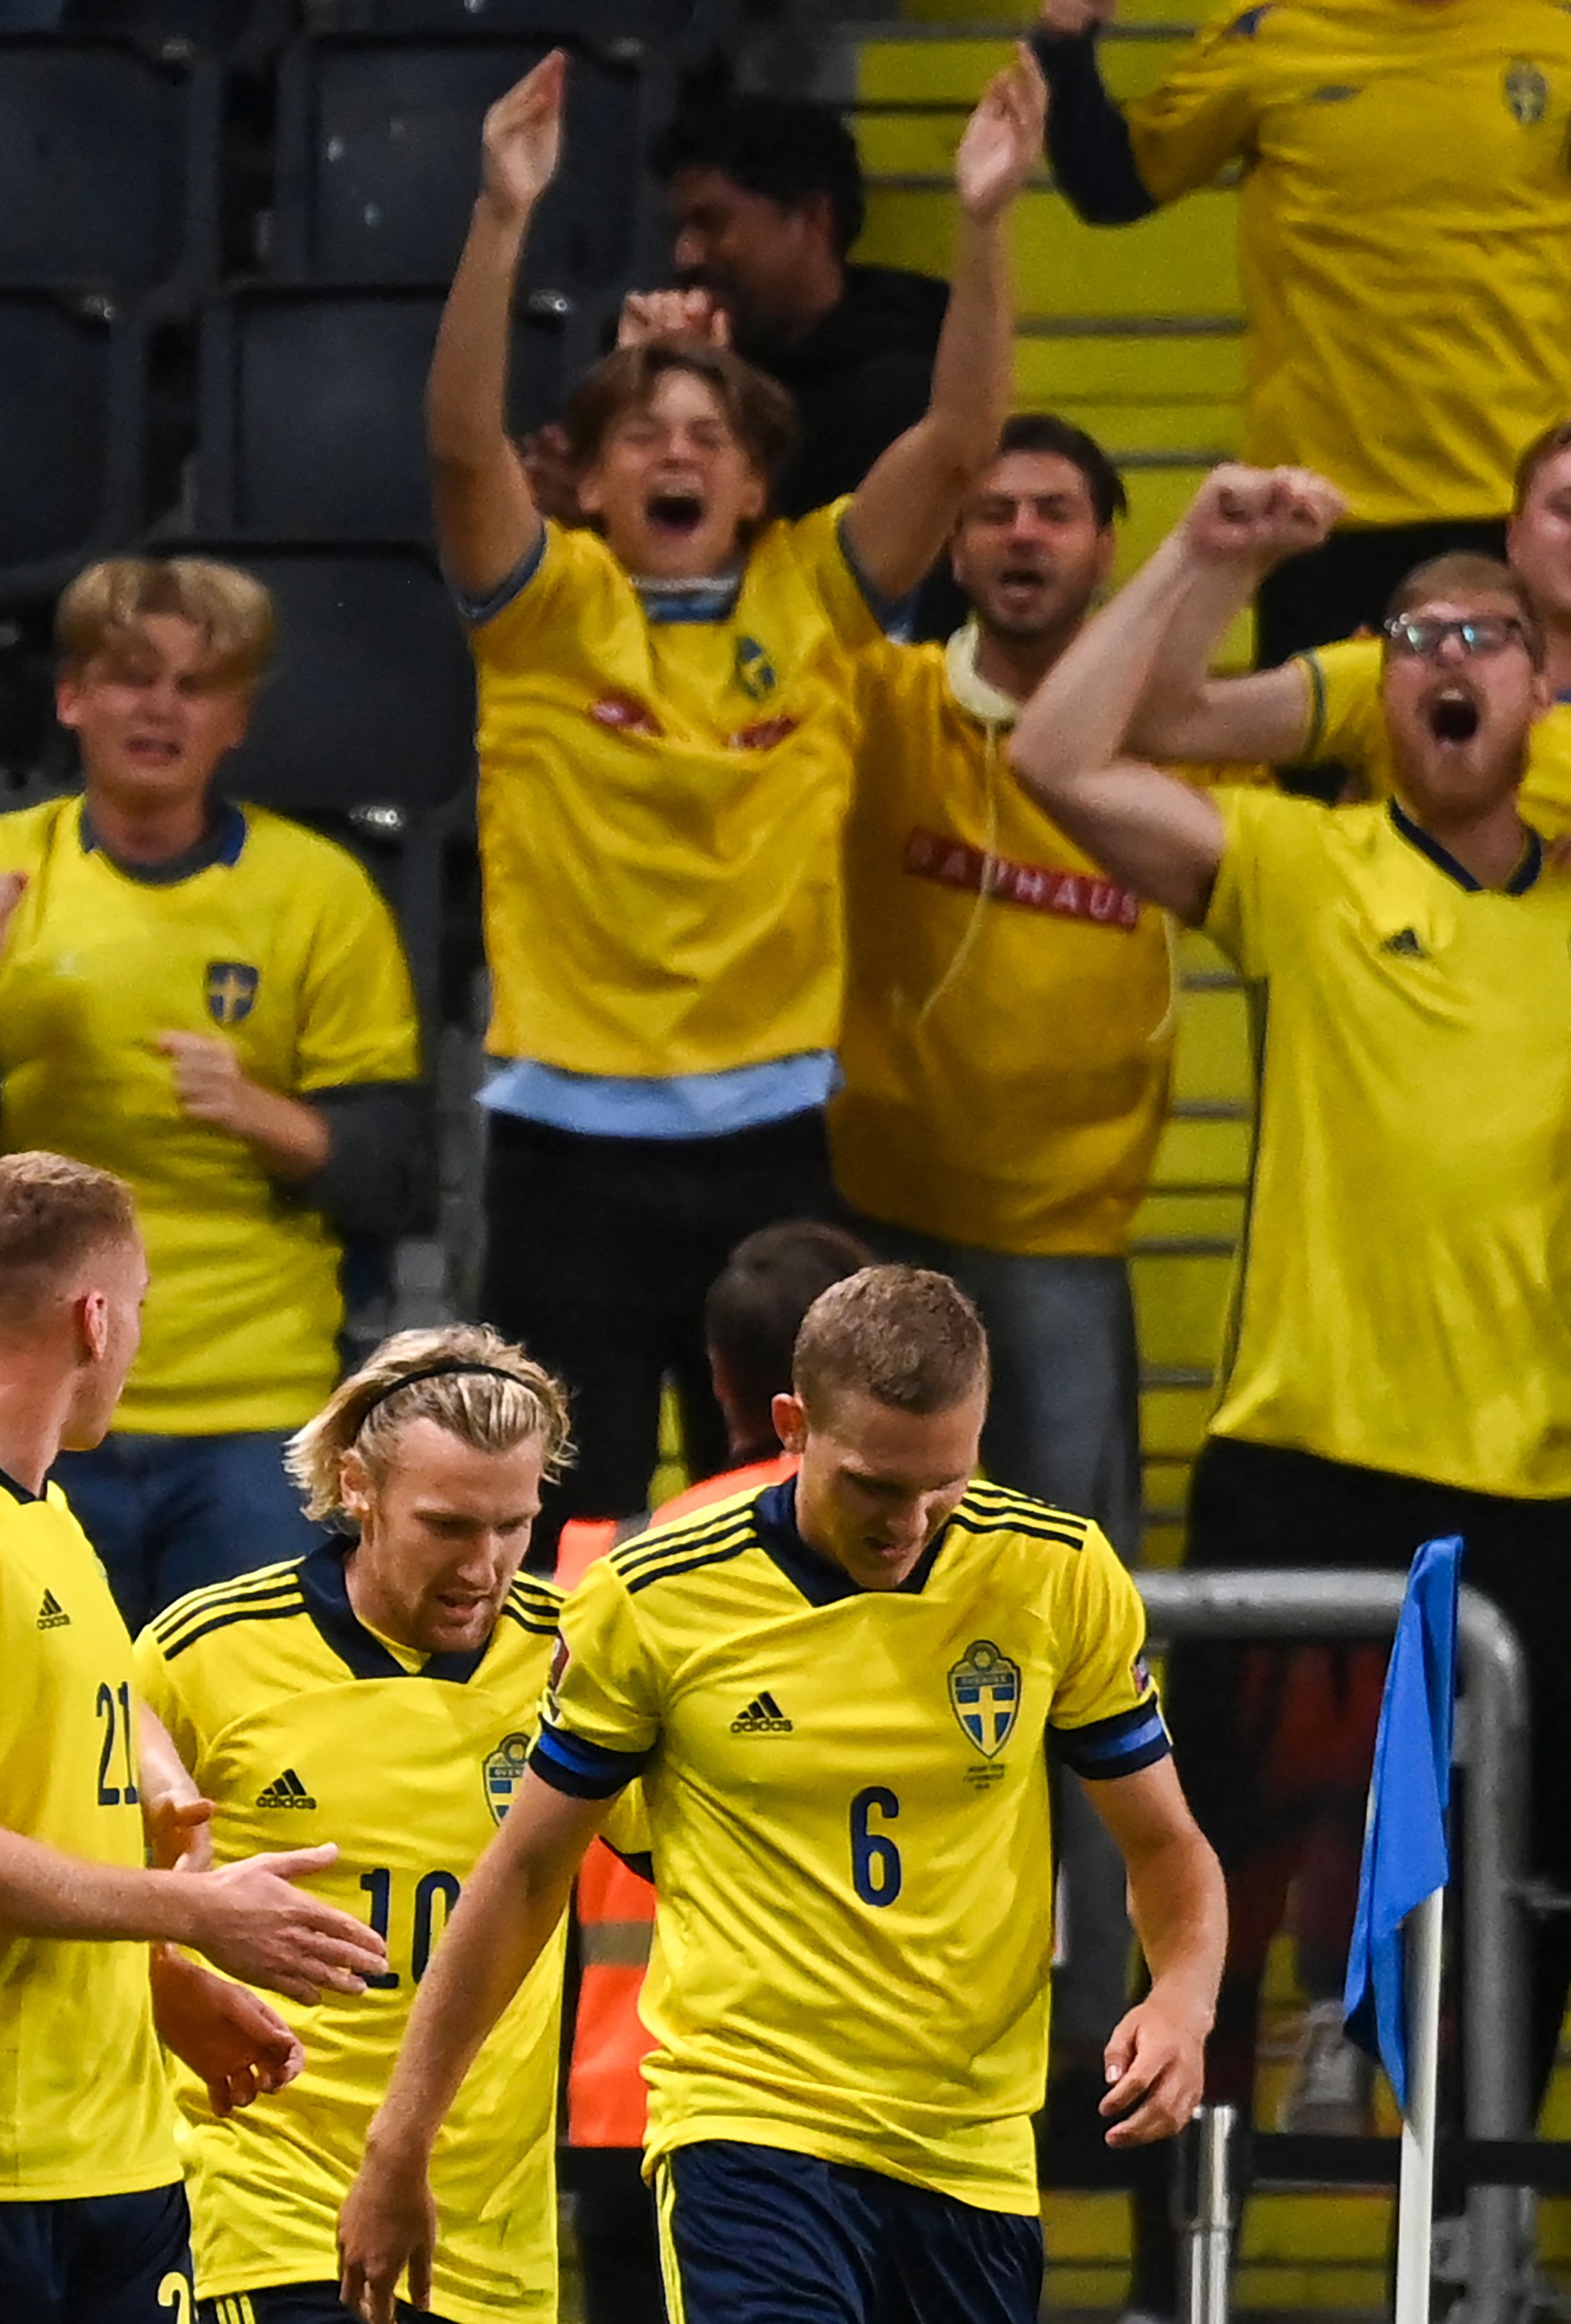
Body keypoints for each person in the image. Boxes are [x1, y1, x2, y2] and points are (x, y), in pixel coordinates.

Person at [339, 1267, 1225, 2324]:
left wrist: (1182, 1997)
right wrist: (403, 2134)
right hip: (749, 2122)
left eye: (945, 1480)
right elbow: (527, 1870)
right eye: (875, 1486)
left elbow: (1167, 1843)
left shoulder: (1056, 1573)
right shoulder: (657, 1597)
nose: (912, 1521)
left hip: (970, 2143)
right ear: (792, 1425)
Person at [1010, 464, 1571, 2134]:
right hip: (1306, 1458)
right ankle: (1161, 2254)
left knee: (1517, 1906)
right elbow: (1053, 756)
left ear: (1541, 691)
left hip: (1535, 1479)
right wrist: (1205, 548)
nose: (1446, 659)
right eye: (1411, 637)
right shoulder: (1298, 861)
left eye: (1488, 635)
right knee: (1223, 1895)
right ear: (1372, 687)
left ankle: (1474, 2252)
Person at [438, 50, 1038, 1529]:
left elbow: (961, 443)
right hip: (566, 1143)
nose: (679, 450)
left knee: (778, 1513)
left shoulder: (816, 592)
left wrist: (982, 219)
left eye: (710, 435)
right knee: (552, 1518)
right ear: (587, 478)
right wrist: (499, 217)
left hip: (768, 1141)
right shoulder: (542, 611)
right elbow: (459, 443)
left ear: (758, 483)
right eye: (645, 434)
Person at [0, 1152, 390, 2323]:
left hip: (117, 2156)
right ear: (94, 1317)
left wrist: (165, 1981)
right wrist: (200, 1915)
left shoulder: (48, 1511)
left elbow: (57, 1789)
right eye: (142, 1313)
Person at [0, 556, 424, 1626]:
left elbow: (395, 1169)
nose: (161, 707)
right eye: (132, 676)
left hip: (254, 1418)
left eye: (195, 683)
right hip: (39, 1403)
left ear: (237, 719)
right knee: (43, 1739)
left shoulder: (320, 894)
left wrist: (264, 1113)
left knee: (235, 1744)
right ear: (74, 696)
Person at [834, 413, 1262, 1561]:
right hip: (871, 1216)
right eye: (993, 512)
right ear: (955, 550)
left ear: (1109, 545)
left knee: (1071, 1588)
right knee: (861, 1568)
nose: (1024, 534)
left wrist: (1229, 563)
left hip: (1064, 1240)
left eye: (1055, 512)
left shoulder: (1174, 739)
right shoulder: (884, 701)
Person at [137, 1326, 582, 2324]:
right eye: (449, 1525)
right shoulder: (206, 1653)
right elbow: (92, 1884)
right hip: (267, 2199)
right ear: (356, 1486)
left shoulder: (578, 1662)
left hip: (490, 2237)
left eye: (514, 1524)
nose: (486, 1564)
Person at [1026, 0, 1571, 668]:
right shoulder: (1269, 30)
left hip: (1519, 512)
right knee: (1316, 768)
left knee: (1534, 770)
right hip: (1320, 516)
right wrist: (1063, 37)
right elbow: (1113, 183)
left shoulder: (1553, 36)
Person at [549, 1217, 869, 2324]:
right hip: (870, 2094)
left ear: (720, 1381)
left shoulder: (595, 1565)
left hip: (636, 2089)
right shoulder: (955, 1565)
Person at [1127, 414, 1571, 837]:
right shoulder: (1408, 668)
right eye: (1566, 509)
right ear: (1514, 536)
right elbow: (1167, 725)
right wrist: (1228, 560)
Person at [653, 91, 948, 520]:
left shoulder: (905, 394)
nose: (686, 255)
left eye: (711, 222)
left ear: (811, 217)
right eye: (678, 229)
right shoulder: (672, 359)